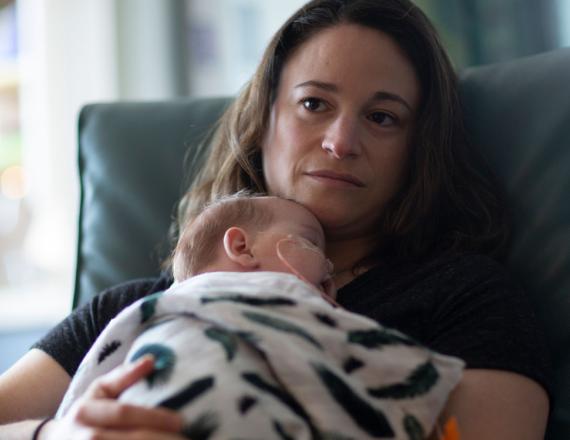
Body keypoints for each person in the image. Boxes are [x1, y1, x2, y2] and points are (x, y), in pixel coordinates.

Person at [0, 0, 551, 439]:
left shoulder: (467, 297)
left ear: (418, 149)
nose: (341, 142)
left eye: (382, 117)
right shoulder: (134, 309)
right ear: (263, 121)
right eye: (314, 104)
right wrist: (59, 433)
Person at [55, 194, 464, 439]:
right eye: (310, 243)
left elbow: (99, 362)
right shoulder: (278, 295)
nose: (329, 267)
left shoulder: (140, 314)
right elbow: (378, 370)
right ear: (242, 248)